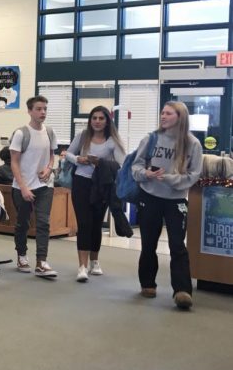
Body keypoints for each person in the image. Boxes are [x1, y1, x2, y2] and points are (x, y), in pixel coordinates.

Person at [132, 102, 202, 309]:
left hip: (176, 200)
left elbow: (194, 175)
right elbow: (136, 166)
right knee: (148, 243)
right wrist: (146, 174)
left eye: (168, 113)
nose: (163, 116)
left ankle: (182, 291)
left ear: (180, 117)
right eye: (162, 112)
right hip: (150, 196)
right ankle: (147, 284)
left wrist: (171, 179)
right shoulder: (150, 138)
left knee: (177, 245)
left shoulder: (193, 144)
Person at [65, 106, 127, 283]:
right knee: (84, 224)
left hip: (102, 185)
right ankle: (82, 267)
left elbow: (122, 163)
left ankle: (95, 261)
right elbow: (67, 153)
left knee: (96, 224)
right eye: (94, 118)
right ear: (90, 120)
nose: (97, 121)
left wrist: (101, 162)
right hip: (81, 183)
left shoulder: (112, 141)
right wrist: (78, 159)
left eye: (101, 118)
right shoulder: (82, 136)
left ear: (107, 121)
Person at [10, 95, 58, 277]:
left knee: (44, 222)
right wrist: (23, 187)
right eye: (38, 109)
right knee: (23, 223)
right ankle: (22, 255)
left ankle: (41, 262)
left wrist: (48, 168)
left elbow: (52, 155)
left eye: (45, 109)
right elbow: (14, 162)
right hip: (22, 186)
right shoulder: (21, 133)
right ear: (30, 111)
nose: (42, 112)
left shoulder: (50, 132)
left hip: (45, 185)